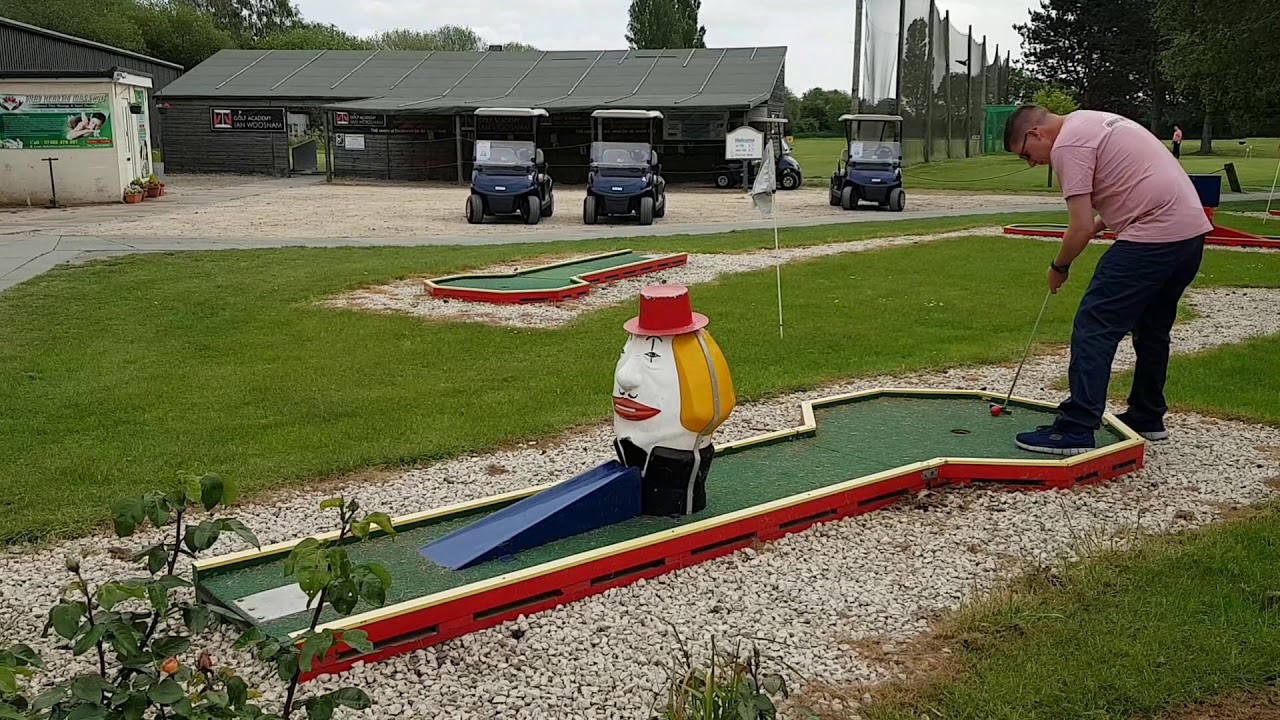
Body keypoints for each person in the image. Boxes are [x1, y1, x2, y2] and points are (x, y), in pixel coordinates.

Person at [1002, 105, 1213, 456]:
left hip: (1152, 237)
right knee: (1151, 327)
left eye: (1027, 154)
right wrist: (1106, 223)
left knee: (1094, 325)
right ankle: (1146, 416)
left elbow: (1079, 227)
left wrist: (1059, 266)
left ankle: (1076, 428)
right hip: (1189, 237)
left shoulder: (1068, 145)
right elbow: (1124, 188)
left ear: (1036, 134)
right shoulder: (1090, 120)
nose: (1033, 163)